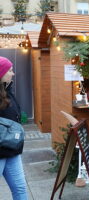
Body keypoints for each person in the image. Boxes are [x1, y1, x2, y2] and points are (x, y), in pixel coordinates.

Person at [0, 56, 28, 200]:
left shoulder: (7, 90)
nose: (13, 73)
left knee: (20, 188)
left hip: (12, 150)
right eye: (10, 70)